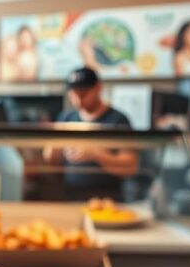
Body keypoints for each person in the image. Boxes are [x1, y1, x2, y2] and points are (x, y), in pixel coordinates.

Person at [44, 66, 139, 201]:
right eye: (73, 94)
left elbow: (130, 167)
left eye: (83, 93)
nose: (78, 100)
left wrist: (95, 154)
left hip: (108, 200)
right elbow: (51, 161)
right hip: (70, 198)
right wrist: (54, 143)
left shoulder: (118, 120)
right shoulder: (66, 118)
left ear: (98, 88)